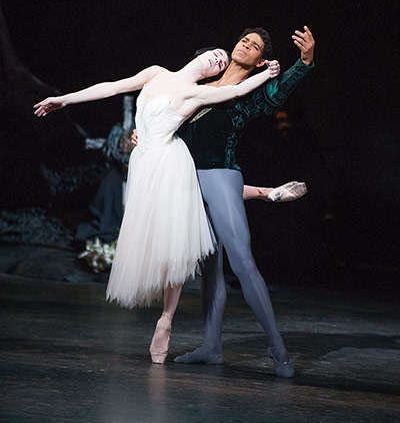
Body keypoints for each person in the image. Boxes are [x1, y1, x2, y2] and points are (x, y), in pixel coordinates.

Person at [34, 48, 283, 362]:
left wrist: (267, 74)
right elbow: (112, 86)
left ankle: (166, 320)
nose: (218, 61)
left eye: (220, 63)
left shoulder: (198, 93)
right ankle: (262, 192)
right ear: (201, 56)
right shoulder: (156, 73)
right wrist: (64, 100)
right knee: (160, 233)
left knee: (174, 243)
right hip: (144, 163)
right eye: (216, 55)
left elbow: (236, 89)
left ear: (211, 74)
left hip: (169, 160)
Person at [162, 26, 315, 378]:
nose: (245, 45)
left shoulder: (251, 94)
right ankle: (211, 347)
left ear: (260, 60)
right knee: (210, 269)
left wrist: (304, 62)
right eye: (244, 39)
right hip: (185, 178)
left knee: (242, 262)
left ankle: (277, 347)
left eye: (255, 46)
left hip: (221, 175)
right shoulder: (199, 87)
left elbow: (278, 92)